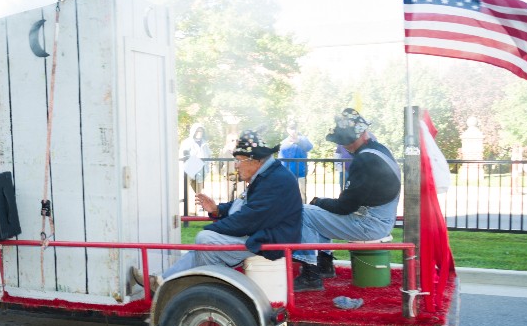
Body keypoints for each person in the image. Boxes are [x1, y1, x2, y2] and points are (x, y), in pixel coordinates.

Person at [142, 130, 303, 290]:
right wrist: (217, 210)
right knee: (204, 245)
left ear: (255, 160)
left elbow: (249, 218)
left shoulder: (275, 180)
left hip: (269, 242)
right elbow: (243, 206)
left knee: (205, 239)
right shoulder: (269, 175)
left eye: (239, 160)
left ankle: (213, 291)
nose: (236, 165)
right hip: (261, 236)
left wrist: (213, 228)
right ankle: (164, 283)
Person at [292, 109, 402, 291]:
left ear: (359, 136)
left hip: (369, 224)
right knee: (319, 212)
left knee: (303, 213)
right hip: (380, 219)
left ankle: (311, 274)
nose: (345, 146)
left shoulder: (364, 160)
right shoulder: (379, 150)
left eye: (346, 141)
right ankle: (324, 264)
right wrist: (323, 204)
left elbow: (344, 207)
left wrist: (319, 201)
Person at [279, 123, 314, 202]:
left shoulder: (303, 139)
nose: (293, 130)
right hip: (287, 174)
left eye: (294, 128)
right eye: (291, 128)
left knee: (302, 195)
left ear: (297, 129)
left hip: (300, 173)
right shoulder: (284, 142)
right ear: (287, 130)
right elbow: (281, 158)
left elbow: (309, 147)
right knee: (287, 195)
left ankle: (303, 211)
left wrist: (298, 141)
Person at [179, 123, 212, 202]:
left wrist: (207, 168)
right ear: (193, 132)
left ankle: (199, 205)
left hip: (201, 168)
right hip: (190, 167)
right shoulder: (187, 142)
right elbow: (182, 155)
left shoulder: (205, 143)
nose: (199, 133)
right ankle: (186, 206)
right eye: (197, 131)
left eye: (201, 131)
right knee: (186, 188)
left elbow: (208, 155)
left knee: (199, 189)